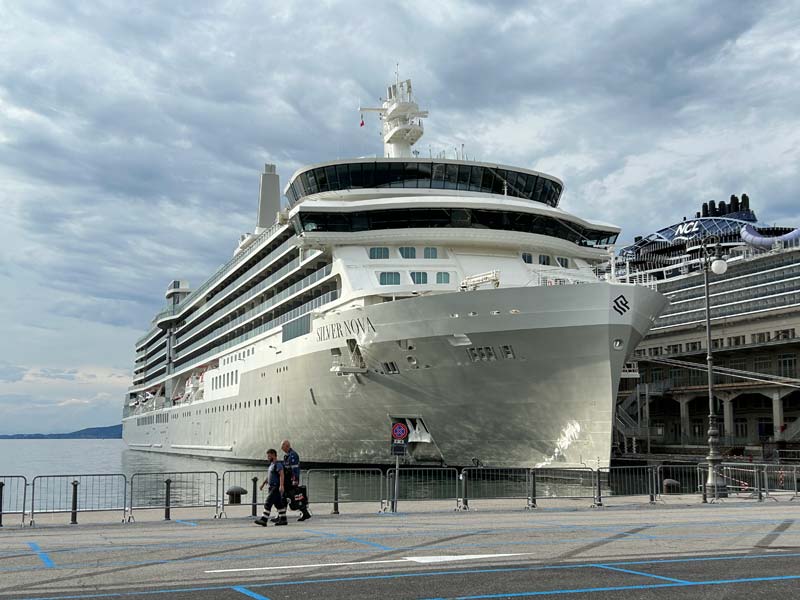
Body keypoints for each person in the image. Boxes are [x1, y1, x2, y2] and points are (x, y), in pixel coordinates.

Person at [254, 448, 287, 526]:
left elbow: (281, 474)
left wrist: (281, 486)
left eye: (269, 456)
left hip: (276, 487)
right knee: (278, 504)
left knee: (268, 502)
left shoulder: (278, 464)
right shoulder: (271, 465)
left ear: (273, 455)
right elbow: (269, 476)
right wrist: (263, 483)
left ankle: (264, 519)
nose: (268, 458)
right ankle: (283, 519)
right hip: (271, 487)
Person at [281, 439, 312, 521]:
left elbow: (295, 469)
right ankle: (282, 516)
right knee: (286, 497)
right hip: (287, 480)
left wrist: (295, 481)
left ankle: (304, 513)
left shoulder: (293, 455)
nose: (281, 448)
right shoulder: (287, 455)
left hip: (291, 481)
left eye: (282, 446)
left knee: (292, 497)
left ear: (287, 446)